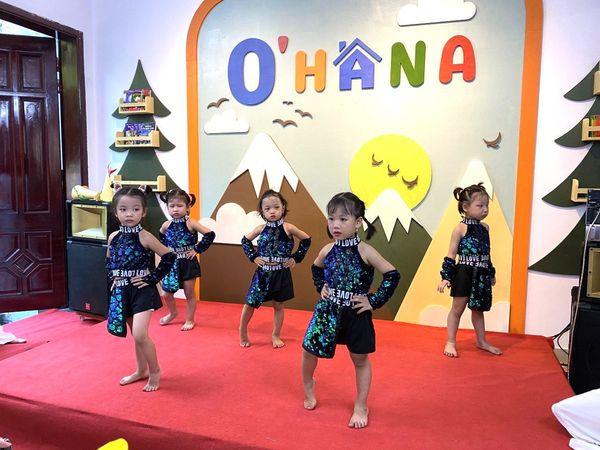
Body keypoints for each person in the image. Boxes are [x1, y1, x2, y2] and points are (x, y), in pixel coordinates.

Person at [301, 192, 400, 429]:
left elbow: (392, 274)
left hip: (356, 313)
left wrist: (373, 301)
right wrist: (321, 287)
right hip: (327, 312)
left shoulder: (365, 251)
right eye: (331, 218)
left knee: (360, 359)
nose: (335, 224)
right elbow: (316, 268)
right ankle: (309, 386)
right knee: (308, 352)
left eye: (343, 219)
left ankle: (361, 405)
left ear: (357, 223)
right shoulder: (327, 249)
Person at [105, 185, 175, 392]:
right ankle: (141, 370)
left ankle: (155, 371)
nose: (129, 214)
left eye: (135, 209)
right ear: (115, 212)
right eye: (123, 209)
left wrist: (152, 278)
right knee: (135, 336)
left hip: (142, 291)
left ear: (143, 212)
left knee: (140, 334)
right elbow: (109, 262)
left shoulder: (145, 236)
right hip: (122, 291)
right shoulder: (113, 237)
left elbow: (169, 257)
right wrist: (113, 279)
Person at [240, 189, 311, 348]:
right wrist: (253, 256)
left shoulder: (288, 227)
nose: (272, 211)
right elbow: (245, 241)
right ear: (262, 211)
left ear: (283, 207)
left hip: (281, 273)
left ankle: (276, 335)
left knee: (278, 305)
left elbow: (306, 239)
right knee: (250, 303)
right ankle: (242, 332)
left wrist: (295, 258)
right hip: (262, 273)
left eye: (276, 207)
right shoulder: (260, 228)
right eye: (267, 208)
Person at [437, 183, 501, 358]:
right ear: (466, 207)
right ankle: (451, 341)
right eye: (480, 205)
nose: (485, 209)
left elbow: (486, 253)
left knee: (478, 310)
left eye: (486, 205)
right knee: (457, 309)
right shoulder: (460, 228)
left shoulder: (485, 228)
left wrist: (491, 272)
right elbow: (451, 254)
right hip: (464, 272)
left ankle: (481, 341)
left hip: (481, 274)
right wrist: (445, 277)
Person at [158, 189, 215, 331]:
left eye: (179, 206)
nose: (175, 209)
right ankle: (173, 313)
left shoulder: (191, 223)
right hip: (172, 264)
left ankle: (190, 319)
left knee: (189, 293)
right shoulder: (166, 225)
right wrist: (166, 252)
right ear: (167, 207)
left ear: (188, 207)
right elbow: (161, 235)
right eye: (172, 206)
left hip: (188, 263)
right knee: (166, 294)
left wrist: (197, 249)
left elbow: (209, 234)